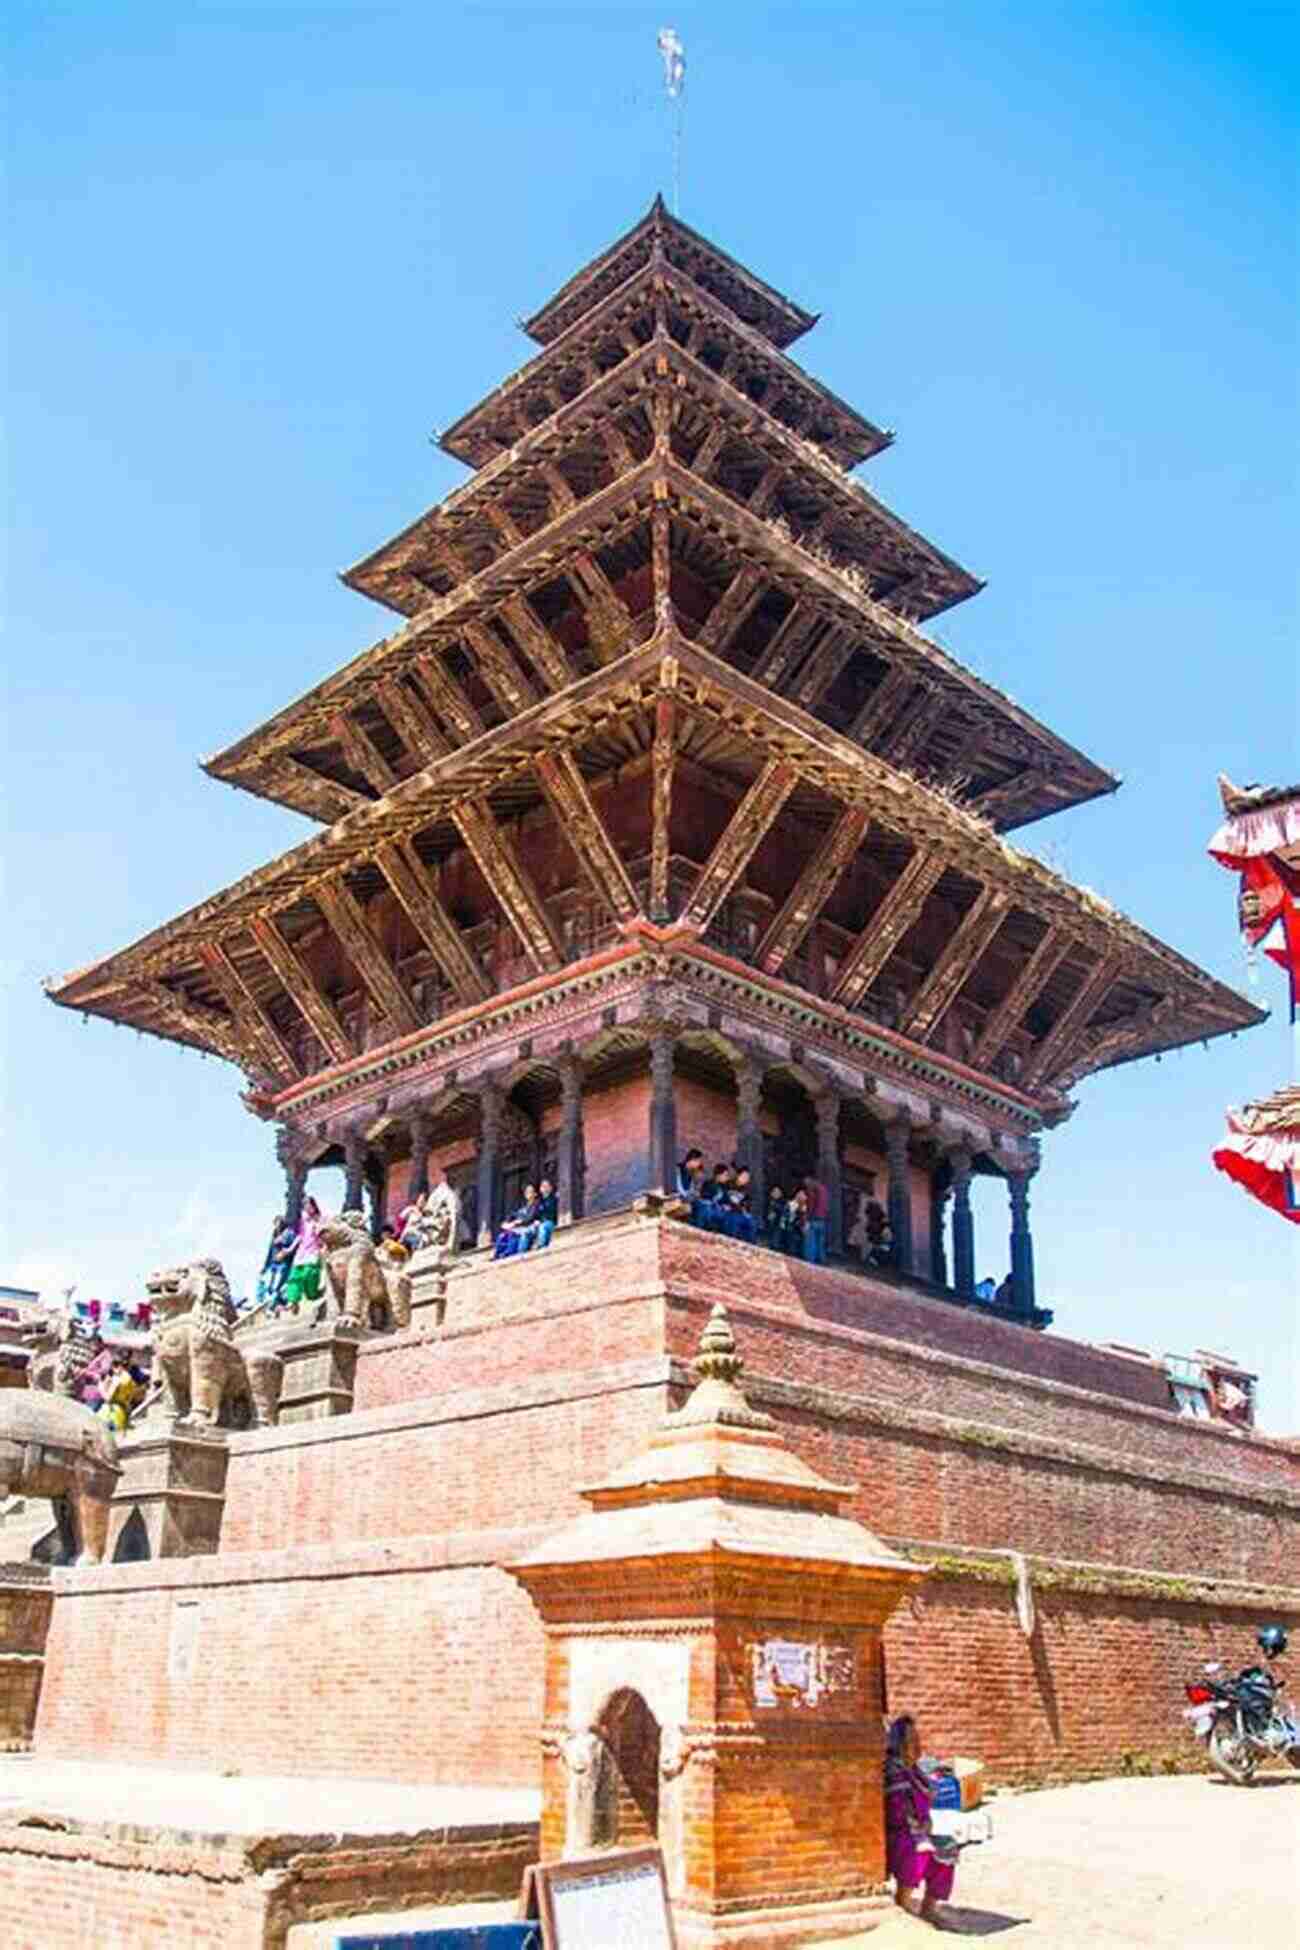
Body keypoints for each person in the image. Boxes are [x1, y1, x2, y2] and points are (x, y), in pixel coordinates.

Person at [884, 1713, 957, 1927]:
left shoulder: (914, 1770)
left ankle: (929, 1907)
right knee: (921, 1850)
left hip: (919, 1829)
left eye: (916, 1738)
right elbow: (897, 1808)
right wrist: (919, 1826)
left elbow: (927, 1798)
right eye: (910, 1739)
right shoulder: (893, 1770)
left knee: (948, 1850)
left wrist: (926, 1824)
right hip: (900, 1833)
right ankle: (904, 1901)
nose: (916, 1744)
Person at [282, 1195, 324, 1310]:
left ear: (314, 1206)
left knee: (309, 1274)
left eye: (309, 1205)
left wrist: (323, 1248)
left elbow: (323, 1236)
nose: (307, 1207)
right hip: (301, 1253)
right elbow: (300, 1236)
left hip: (313, 1252)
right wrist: (290, 1249)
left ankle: (313, 1294)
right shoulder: (303, 1221)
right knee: (295, 1277)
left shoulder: (320, 1219)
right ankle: (293, 1301)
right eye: (305, 1205)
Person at [494, 1185, 539, 1259]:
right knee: (502, 1236)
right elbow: (513, 1214)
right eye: (526, 1192)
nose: (528, 1194)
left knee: (513, 1234)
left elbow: (530, 1218)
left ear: (535, 1194)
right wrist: (506, 1222)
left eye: (530, 1192)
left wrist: (516, 1223)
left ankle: (508, 1252)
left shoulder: (536, 1204)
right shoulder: (524, 1206)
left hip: (529, 1226)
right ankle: (497, 1254)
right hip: (520, 1226)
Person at [723, 1165, 757, 1244]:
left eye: (748, 1178)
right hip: (729, 1211)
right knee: (734, 1220)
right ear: (738, 1175)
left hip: (740, 1212)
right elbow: (725, 1199)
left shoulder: (747, 1191)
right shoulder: (728, 1185)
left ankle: (751, 1244)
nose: (746, 1179)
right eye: (744, 1177)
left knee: (752, 1222)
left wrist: (745, 1209)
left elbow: (747, 1205)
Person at [802, 1172, 830, 1265]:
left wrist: (807, 1219)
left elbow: (811, 1204)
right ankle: (821, 1260)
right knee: (820, 1242)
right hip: (823, 1219)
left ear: (811, 1180)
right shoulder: (824, 1190)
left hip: (814, 1218)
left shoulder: (813, 1189)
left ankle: (810, 1260)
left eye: (806, 1182)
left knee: (810, 1241)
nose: (805, 1184)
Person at [526, 1177, 557, 1251]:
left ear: (551, 1188)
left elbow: (552, 1213)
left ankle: (541, 1245)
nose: (545, 1188)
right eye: (543, 1186)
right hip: (539, 1222)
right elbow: (535, 1214)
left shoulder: (554, 1199)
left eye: (547, 1186)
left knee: (543, 1227)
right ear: (540, 1189)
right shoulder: (539, 1202)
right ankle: (522, 1250)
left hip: (550, 1222)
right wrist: (536, 1220)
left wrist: (541, 1221)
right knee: (527, 1231)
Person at [764, 1183, 786, 1250]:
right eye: (774, 1192)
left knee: (775, 1243)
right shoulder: (768, 1201)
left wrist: (776, 1207)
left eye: (778, 1192)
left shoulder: (782, 1202)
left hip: (777, 1225)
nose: (775, 1193)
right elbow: (765, 1212)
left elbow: (783, 1212)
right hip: (768, 1224)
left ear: (781, 1194)